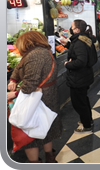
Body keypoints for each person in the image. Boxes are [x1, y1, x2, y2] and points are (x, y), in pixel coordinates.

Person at [7, 31, 61, 163]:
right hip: (48, 96)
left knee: (29, 135)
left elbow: (30, 84)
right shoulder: (42, 52)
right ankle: (50, 158)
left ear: (26, 42)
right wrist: (13, 79)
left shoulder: (35, 55)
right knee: (46, 129)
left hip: (38, 99)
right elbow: (20, 66)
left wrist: (13, 94)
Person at [64, 19, 97, 134]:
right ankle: (88, 120)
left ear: (77, 30)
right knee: (83, 100)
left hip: (78, 78)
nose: (71, 29)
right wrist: (69, 46)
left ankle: (86, 125)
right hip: (84, 76)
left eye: (72, 28)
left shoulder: (79, 42)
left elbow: (81, 61)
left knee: (78, 103)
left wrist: (68, 64)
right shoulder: (85, 39)